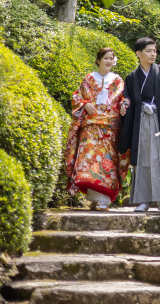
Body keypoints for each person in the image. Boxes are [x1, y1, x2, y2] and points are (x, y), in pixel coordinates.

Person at [119, 37, 160, 212]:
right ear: (138, 54)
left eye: (154, 50)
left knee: (159, 159)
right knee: (141, 159)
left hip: (159, 119)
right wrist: (124, 104)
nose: (153, 54)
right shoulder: (132, 77)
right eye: (149, 51)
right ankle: (143, 200)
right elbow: (127, 97)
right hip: (139, 121)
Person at [64, 47, 130, 211]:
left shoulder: (117, 80)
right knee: (89, 160)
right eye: (106, 58)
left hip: (109, 126)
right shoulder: (88, 78)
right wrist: (86, 105)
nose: (109, 61)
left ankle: (104, 200)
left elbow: (123, 98)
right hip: (90, 126)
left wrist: (123, 104)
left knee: (107, 161)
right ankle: (95, 198)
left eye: (111, 58)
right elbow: (76, 97)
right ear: (98, 60)